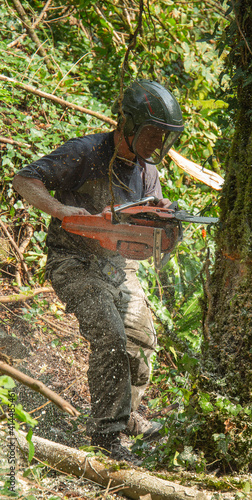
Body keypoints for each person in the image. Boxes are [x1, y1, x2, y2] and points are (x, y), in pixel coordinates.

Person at [12, 79, 184, 465]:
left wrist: (163, 224)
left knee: (139, 341)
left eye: (163, 136)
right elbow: (24, 179)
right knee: (109, 335)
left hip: (119, 265)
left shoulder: (147, 172)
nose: (157, 143)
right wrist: (59, 210)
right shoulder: (86, 151)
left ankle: (125, 415)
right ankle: (105, 436)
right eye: (152, 133)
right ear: (129, 124)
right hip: (73, 260)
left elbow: (147, 233)